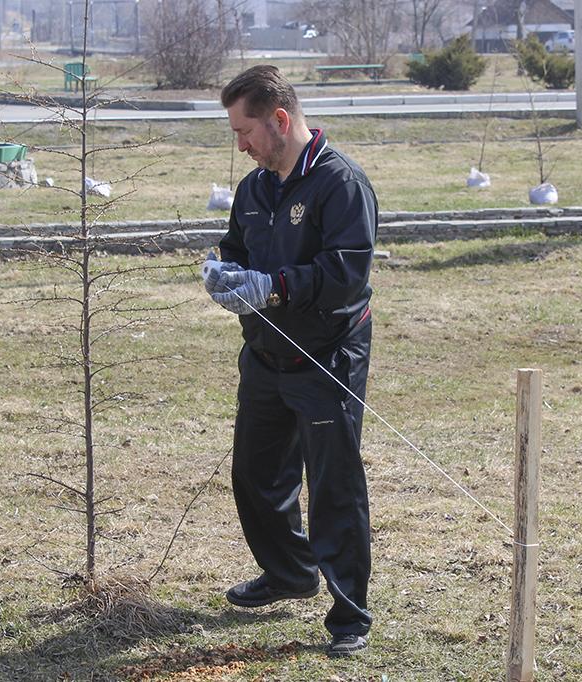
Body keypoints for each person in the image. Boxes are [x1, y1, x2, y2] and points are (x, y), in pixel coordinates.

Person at [202, 64, 378, 658]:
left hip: (327, 354)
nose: (241, 145)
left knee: (333, 484)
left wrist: (273, 287)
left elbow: (345, 273)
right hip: (264, 353)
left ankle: (349, 615)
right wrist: (223, 272)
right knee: (255, 474)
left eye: (245, 131)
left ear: (280, 120)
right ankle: (290, 573)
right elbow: (236, 247)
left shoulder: (340, 183)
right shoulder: (254, 188)